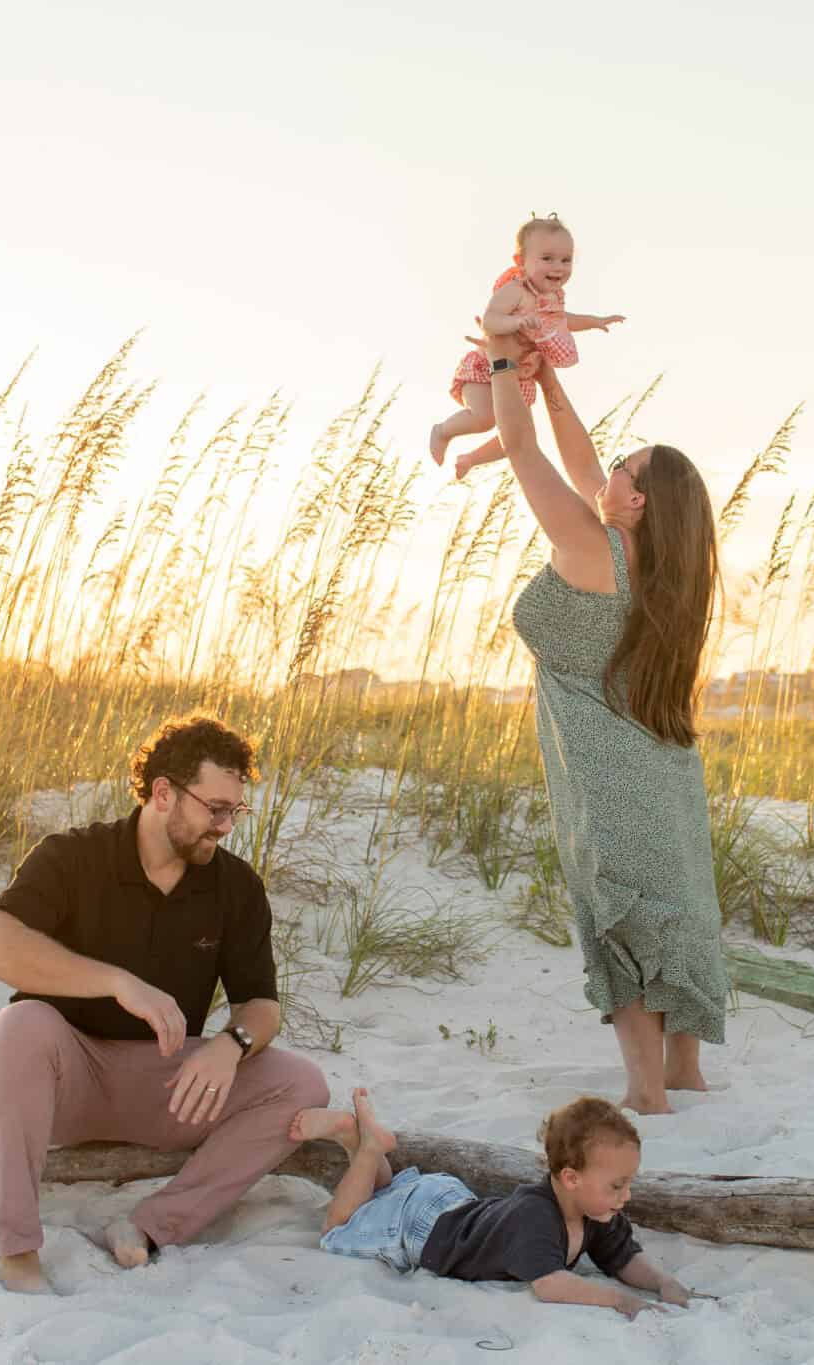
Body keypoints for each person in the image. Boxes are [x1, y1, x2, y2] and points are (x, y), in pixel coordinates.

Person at [0, 712, 329, 1293]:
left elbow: (261, 1003)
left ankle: (150, 1224)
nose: (226, 827)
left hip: (166, 1083)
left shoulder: (235, 887)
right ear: (163, 793)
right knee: (19, 1025)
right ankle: (17, 1252)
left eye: (235, 811)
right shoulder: (74, 856)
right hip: (63, 1079)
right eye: (215, 809)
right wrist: (117, 981)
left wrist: (229, 1047)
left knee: (302, 1082)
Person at [481, 326, 730, 1114]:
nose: (608, 470)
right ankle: (684, 1072)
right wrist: (548, 377)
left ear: (636, 499)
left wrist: (497, 359)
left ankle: (646, 1093)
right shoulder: (669, 574)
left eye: (623, 470)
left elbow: (523, 451)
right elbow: (582, 462)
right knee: (676, 910)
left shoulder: (590, 548)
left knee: (622, 916)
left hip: (611, 778)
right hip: (666, 774)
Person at [292, 1089, 695, 1317]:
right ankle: (363, 1148)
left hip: (449, 1202)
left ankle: (360, 1142)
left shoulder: (597, 1211)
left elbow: (622, 1258)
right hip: (420, 1230)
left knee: (382, 1196)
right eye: (617, 1186)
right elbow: (551, 1285)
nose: (626, 1197)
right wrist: (624, 1302)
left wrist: (662, 1282)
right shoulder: (537, 1218)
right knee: (339, 1228)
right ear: (571, 1178)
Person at [429, 214, 626, 478]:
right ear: (521, 262)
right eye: (547, 259)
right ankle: (442, 431)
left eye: (566, 260)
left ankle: (470, 459)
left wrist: (594, 321)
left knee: (517, 436)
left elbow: (561, 322)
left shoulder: (552, 297)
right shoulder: (516, 290)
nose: (558, 267)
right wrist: (518, 321)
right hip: (486, 368)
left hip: (518, 374)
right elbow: (490, 320)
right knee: (484, 418)